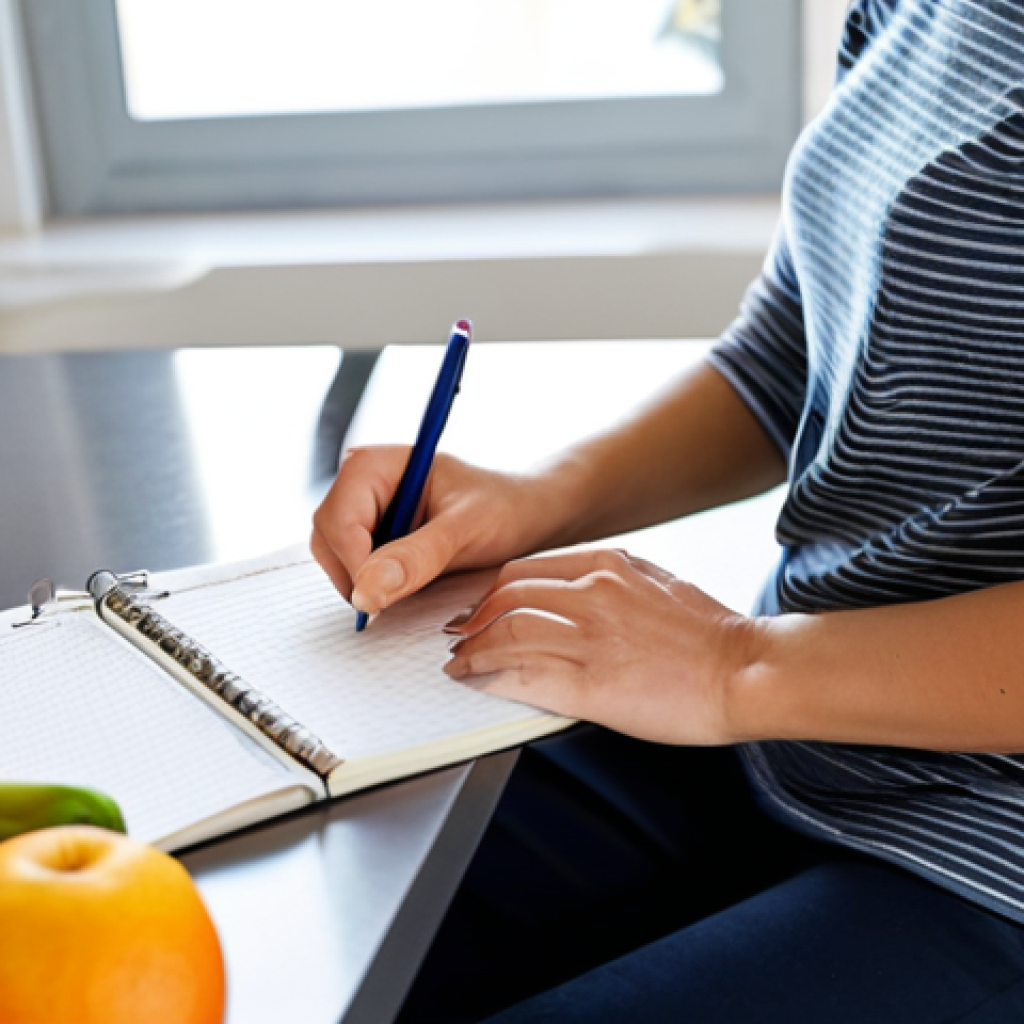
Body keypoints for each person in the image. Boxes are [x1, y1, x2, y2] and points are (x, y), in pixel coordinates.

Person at [312, 2, 1024, 1020]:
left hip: (986, 846)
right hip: (784, 739)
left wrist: (735, 663)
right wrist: (536, 497)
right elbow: (798, 351)